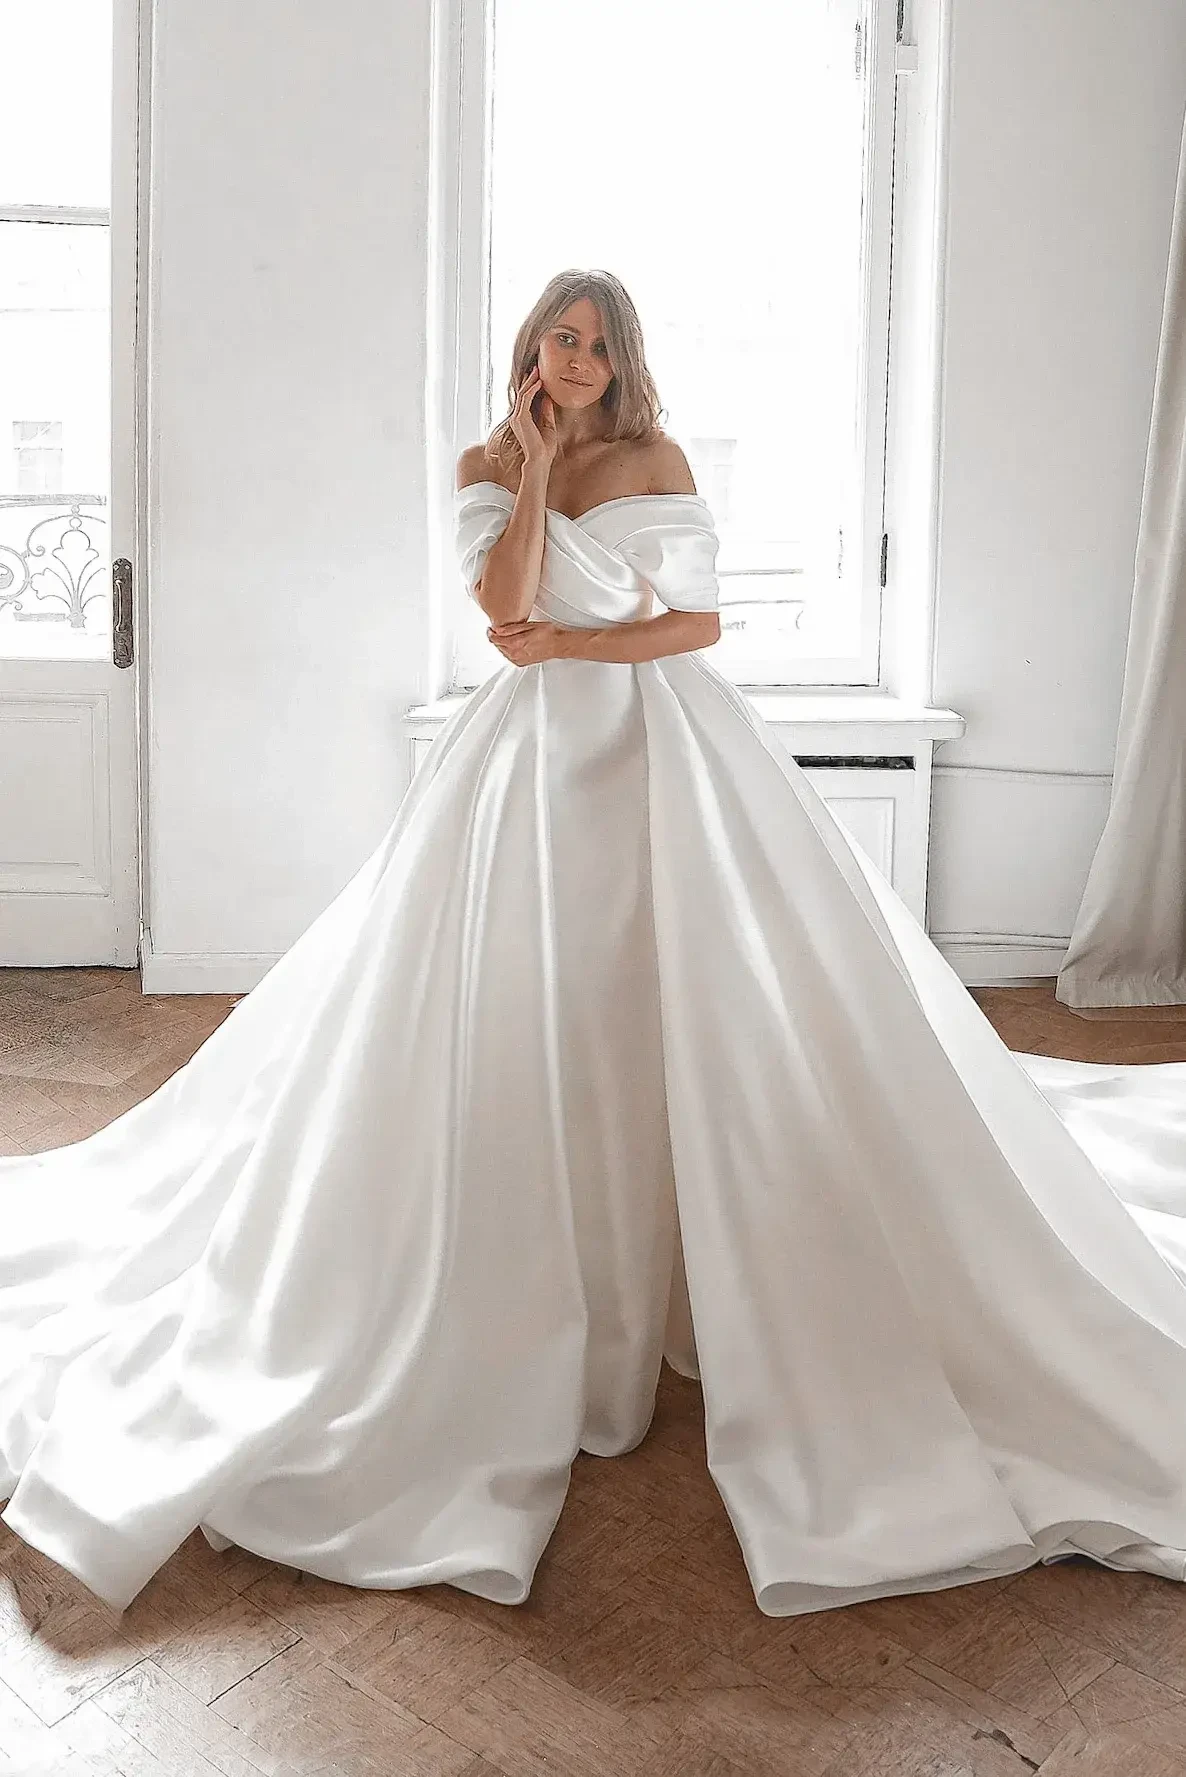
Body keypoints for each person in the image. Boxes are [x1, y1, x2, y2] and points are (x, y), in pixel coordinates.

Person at [5, 267, 1186, 1624]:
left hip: (665, 749)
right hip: (525, 771)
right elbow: (498, 627)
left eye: (595, 347)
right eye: (556, 343)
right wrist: (539, 467)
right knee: (528, 1010)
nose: (574, 361)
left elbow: (693, 626)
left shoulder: (660, 456)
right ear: (532, 354)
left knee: (697, 1002)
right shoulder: (488, 462)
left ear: (623, 361)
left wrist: (570, 633)